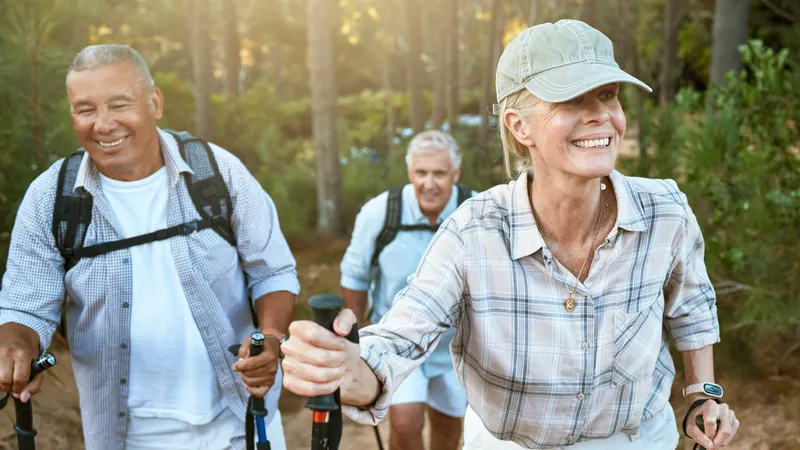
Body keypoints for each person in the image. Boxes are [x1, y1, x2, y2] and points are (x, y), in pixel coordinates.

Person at [281, 19, 741, 450]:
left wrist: (703, 396)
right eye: (571, 100)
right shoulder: (471, 232)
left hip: (637, 440)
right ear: (519, 127)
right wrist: (345, 368)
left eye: (607, 94)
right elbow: (398, 340)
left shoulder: (665, 211)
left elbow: (692, 310)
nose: (600, 115)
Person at [0, 44, 298, 450]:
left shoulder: (218, 173)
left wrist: (271, 337)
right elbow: (24, 306)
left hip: (240, 420)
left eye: (119, 104)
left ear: (154, 102)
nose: (103, 125)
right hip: (126, 436)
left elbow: (273, 271)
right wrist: (16, 346)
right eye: (85, 109)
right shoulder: (51, 199)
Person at [340, 130, 471, 450]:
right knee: (405, 421)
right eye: (421, 173)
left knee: (449, 423)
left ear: (456, 173)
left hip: (455, 346)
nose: (430, 183)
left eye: (440, 173)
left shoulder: (474, 209)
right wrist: (355, 339)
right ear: (410, 172)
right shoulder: (380, 212)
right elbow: (355, 276)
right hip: (399, 341)